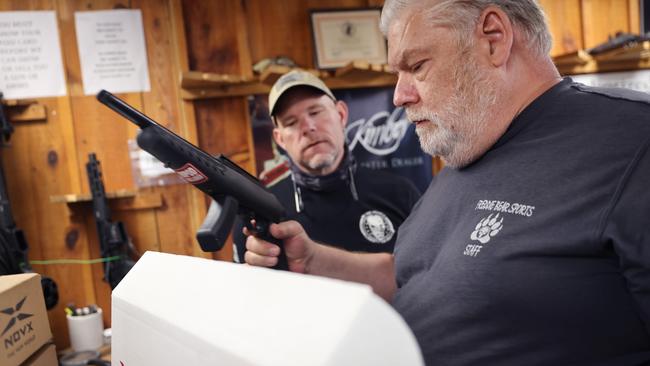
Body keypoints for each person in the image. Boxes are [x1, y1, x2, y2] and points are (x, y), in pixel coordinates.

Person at [243, 1, 650, 365]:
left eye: (416, 66)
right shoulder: (466, 147)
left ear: (493, 38)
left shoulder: (632, 141)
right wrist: (312, 260)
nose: (400, 95)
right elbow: (413, 275)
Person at [232, 69, 421, 263]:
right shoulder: (260, 216)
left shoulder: (400, 193)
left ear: (341, 114)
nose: (307, 127)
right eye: (291, 122)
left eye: (315, 112)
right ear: (280, 139)